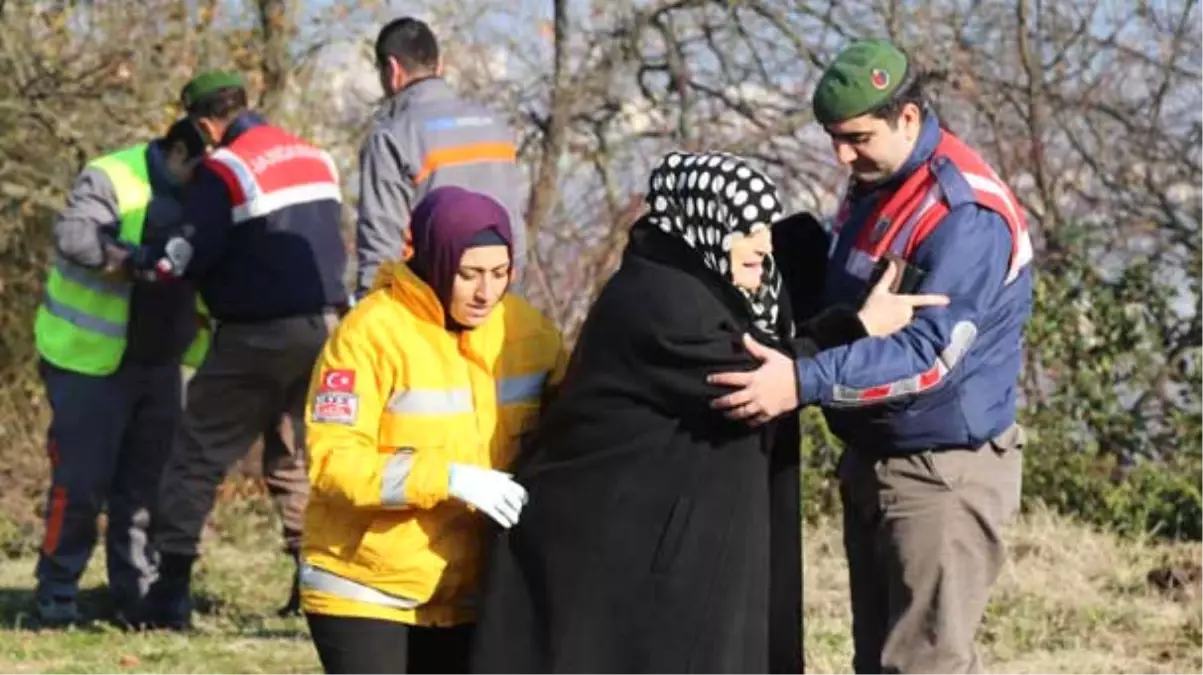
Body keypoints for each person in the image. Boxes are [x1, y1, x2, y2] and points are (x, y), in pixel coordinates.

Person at [469, 151, 948, 675]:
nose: (763, 246)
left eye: (765, 227)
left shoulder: (706, 278)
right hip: (606, 539)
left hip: (661, 534)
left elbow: (780, 294)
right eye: (748, 229)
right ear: (707, 223)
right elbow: (751, 376)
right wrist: (857, 328)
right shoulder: (661, 300)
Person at [707, 39, 1035, 675]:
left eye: (855, 137)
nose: (841, 154)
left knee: (921, 666)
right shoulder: (879, 178)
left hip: (942, 473)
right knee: (876, 662)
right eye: (833, 137)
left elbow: (929, 357)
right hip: (876, 457)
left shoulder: (961, 215)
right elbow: (853, 295)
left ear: (907, 119)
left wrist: (802, 381)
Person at [297, 185, 566, 675]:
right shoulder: (370, 334)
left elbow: (577, 417)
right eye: (469, 275)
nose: (486, 292)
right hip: (363, 587)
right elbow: (333, 463)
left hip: (468, 593)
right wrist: (448, 479)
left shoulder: (527, 331)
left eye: (500, 273)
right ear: (438, 261)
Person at [136, 69, 350, 630]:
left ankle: (169, 594)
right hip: (328, 329)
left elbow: (188, 253)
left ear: (207, 123)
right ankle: (315, 589)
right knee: (298, 457)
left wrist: (152, 263)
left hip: (258, 332)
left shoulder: (224, 169)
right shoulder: (315, 156)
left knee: (198, 452)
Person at [31, 118, 210, 626]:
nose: (205, 177)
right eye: (197, 165)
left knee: (147, 490)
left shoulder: (209, 190)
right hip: (88, 359)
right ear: (177, 150)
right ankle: (57, 590)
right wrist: (129, 261)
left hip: (161, 363)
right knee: (81, 484)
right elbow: (72, 234)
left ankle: (138, 596)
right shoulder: (112, 175)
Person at [355, 16, 527, 297]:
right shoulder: (495, 125)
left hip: (428, 309)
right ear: (440, 64)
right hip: (496, 300)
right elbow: (516, 227)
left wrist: (369, 318)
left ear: (392, 69)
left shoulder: (392, 137)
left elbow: (381, 246)